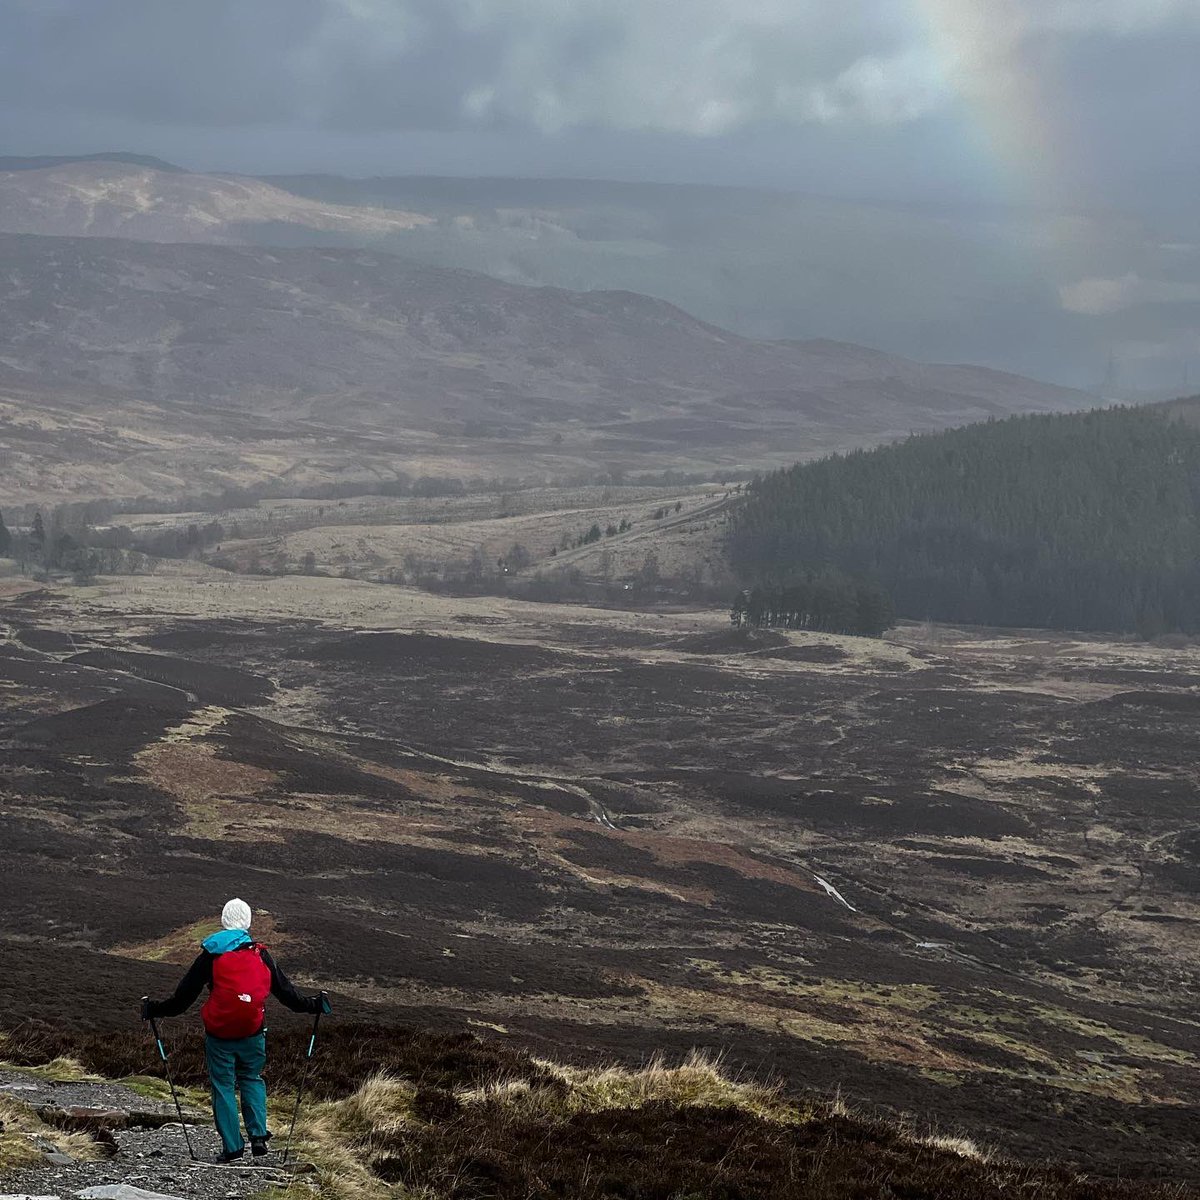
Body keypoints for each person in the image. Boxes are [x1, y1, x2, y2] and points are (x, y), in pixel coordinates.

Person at [141, 898, 331, 1164]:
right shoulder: (260, 954)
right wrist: (314, 1005)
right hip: (253, 1032)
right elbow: (288, 995)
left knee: (223, 1086)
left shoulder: (211, 956)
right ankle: (258, 1136)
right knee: (252, 1078)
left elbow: (182, 1000)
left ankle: (232, 1148)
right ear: (248, 923)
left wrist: (154, 1010)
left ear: (223, 921)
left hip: (219, 1035)